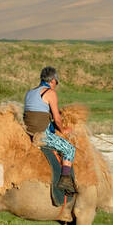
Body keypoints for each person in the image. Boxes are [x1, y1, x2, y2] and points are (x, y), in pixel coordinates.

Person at [24, 67, 77, 197]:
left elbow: (39, 114)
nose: (56, 85)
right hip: (41, 135)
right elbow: (57, 120)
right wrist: (63, 130)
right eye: (56, 82)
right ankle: (65, 180)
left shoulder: (30, 92)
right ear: (53, 80)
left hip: (28, 131)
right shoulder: (50, 93)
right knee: (69, 149)